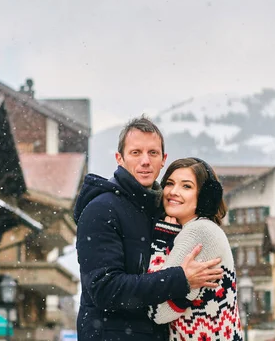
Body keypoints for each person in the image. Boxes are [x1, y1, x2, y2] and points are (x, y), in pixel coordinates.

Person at [74, 117, 224, 341]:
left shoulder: (163, 212)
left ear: (163, 159)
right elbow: (105, 289)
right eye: (136, 153)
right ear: (119, 159)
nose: (145, 161)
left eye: (153, 153)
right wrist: (180, 279)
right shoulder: (101, 210)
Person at [146, 157, 243, 340]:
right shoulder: (206, 229)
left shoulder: (197, 231)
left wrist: (161, 241)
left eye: (186, 186)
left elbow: (157, 311)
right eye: (170, 183)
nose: (174, 192)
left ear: (205, 196)